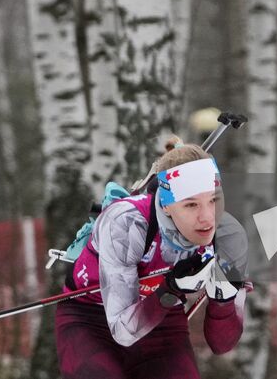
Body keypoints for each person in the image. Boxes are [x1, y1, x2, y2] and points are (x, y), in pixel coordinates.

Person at [55, 140, 249, 379]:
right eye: (191, 204)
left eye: (213, 200)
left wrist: (224, 300)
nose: (207, 218)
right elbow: (122, 330)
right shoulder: (127, 223)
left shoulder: (229, 237)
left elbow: (222, 345)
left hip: (161, 322)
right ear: (166, 205)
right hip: (90, 317)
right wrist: (171, 288)